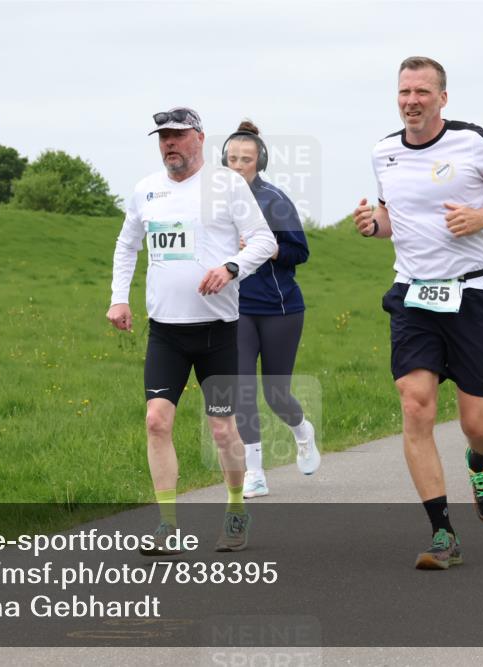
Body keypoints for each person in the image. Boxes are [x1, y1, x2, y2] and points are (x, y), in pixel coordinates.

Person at [353, 57, 483, 570]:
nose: (410, 100)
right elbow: (397, 217)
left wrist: (482, 216)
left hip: (473, 295)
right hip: (413, 294)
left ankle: (479, 464)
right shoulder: (384, 152)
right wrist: (375, 224)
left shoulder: (472, 142)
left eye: (421, 91)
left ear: (442, 97)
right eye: (403, 92)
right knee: (415, 404)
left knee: (477, 424)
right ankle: (443, 534)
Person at [107, 107, 277, 553]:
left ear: (199, 138)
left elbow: (265, 240)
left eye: (178, 136)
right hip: (166, 333)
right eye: (163, 137)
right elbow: (127, 246)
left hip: (217, 332)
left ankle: (237, 509)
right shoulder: (147, 191)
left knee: (222, 429)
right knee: (156, 421)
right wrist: (118, 298)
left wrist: (231, 268)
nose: (170, 145)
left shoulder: (227, 185)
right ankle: (167, 523)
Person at [221, 121, 318, 499]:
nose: (238, 165)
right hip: (236, 309)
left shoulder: (275, 201)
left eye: (246, 159)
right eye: (231, 159)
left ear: (260, 162)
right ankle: (255, 472)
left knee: (276, 392)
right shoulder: (212, 199)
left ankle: (301, 431)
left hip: (280, 309)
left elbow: (300, 252)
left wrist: (269, 246)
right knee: (243, 390)